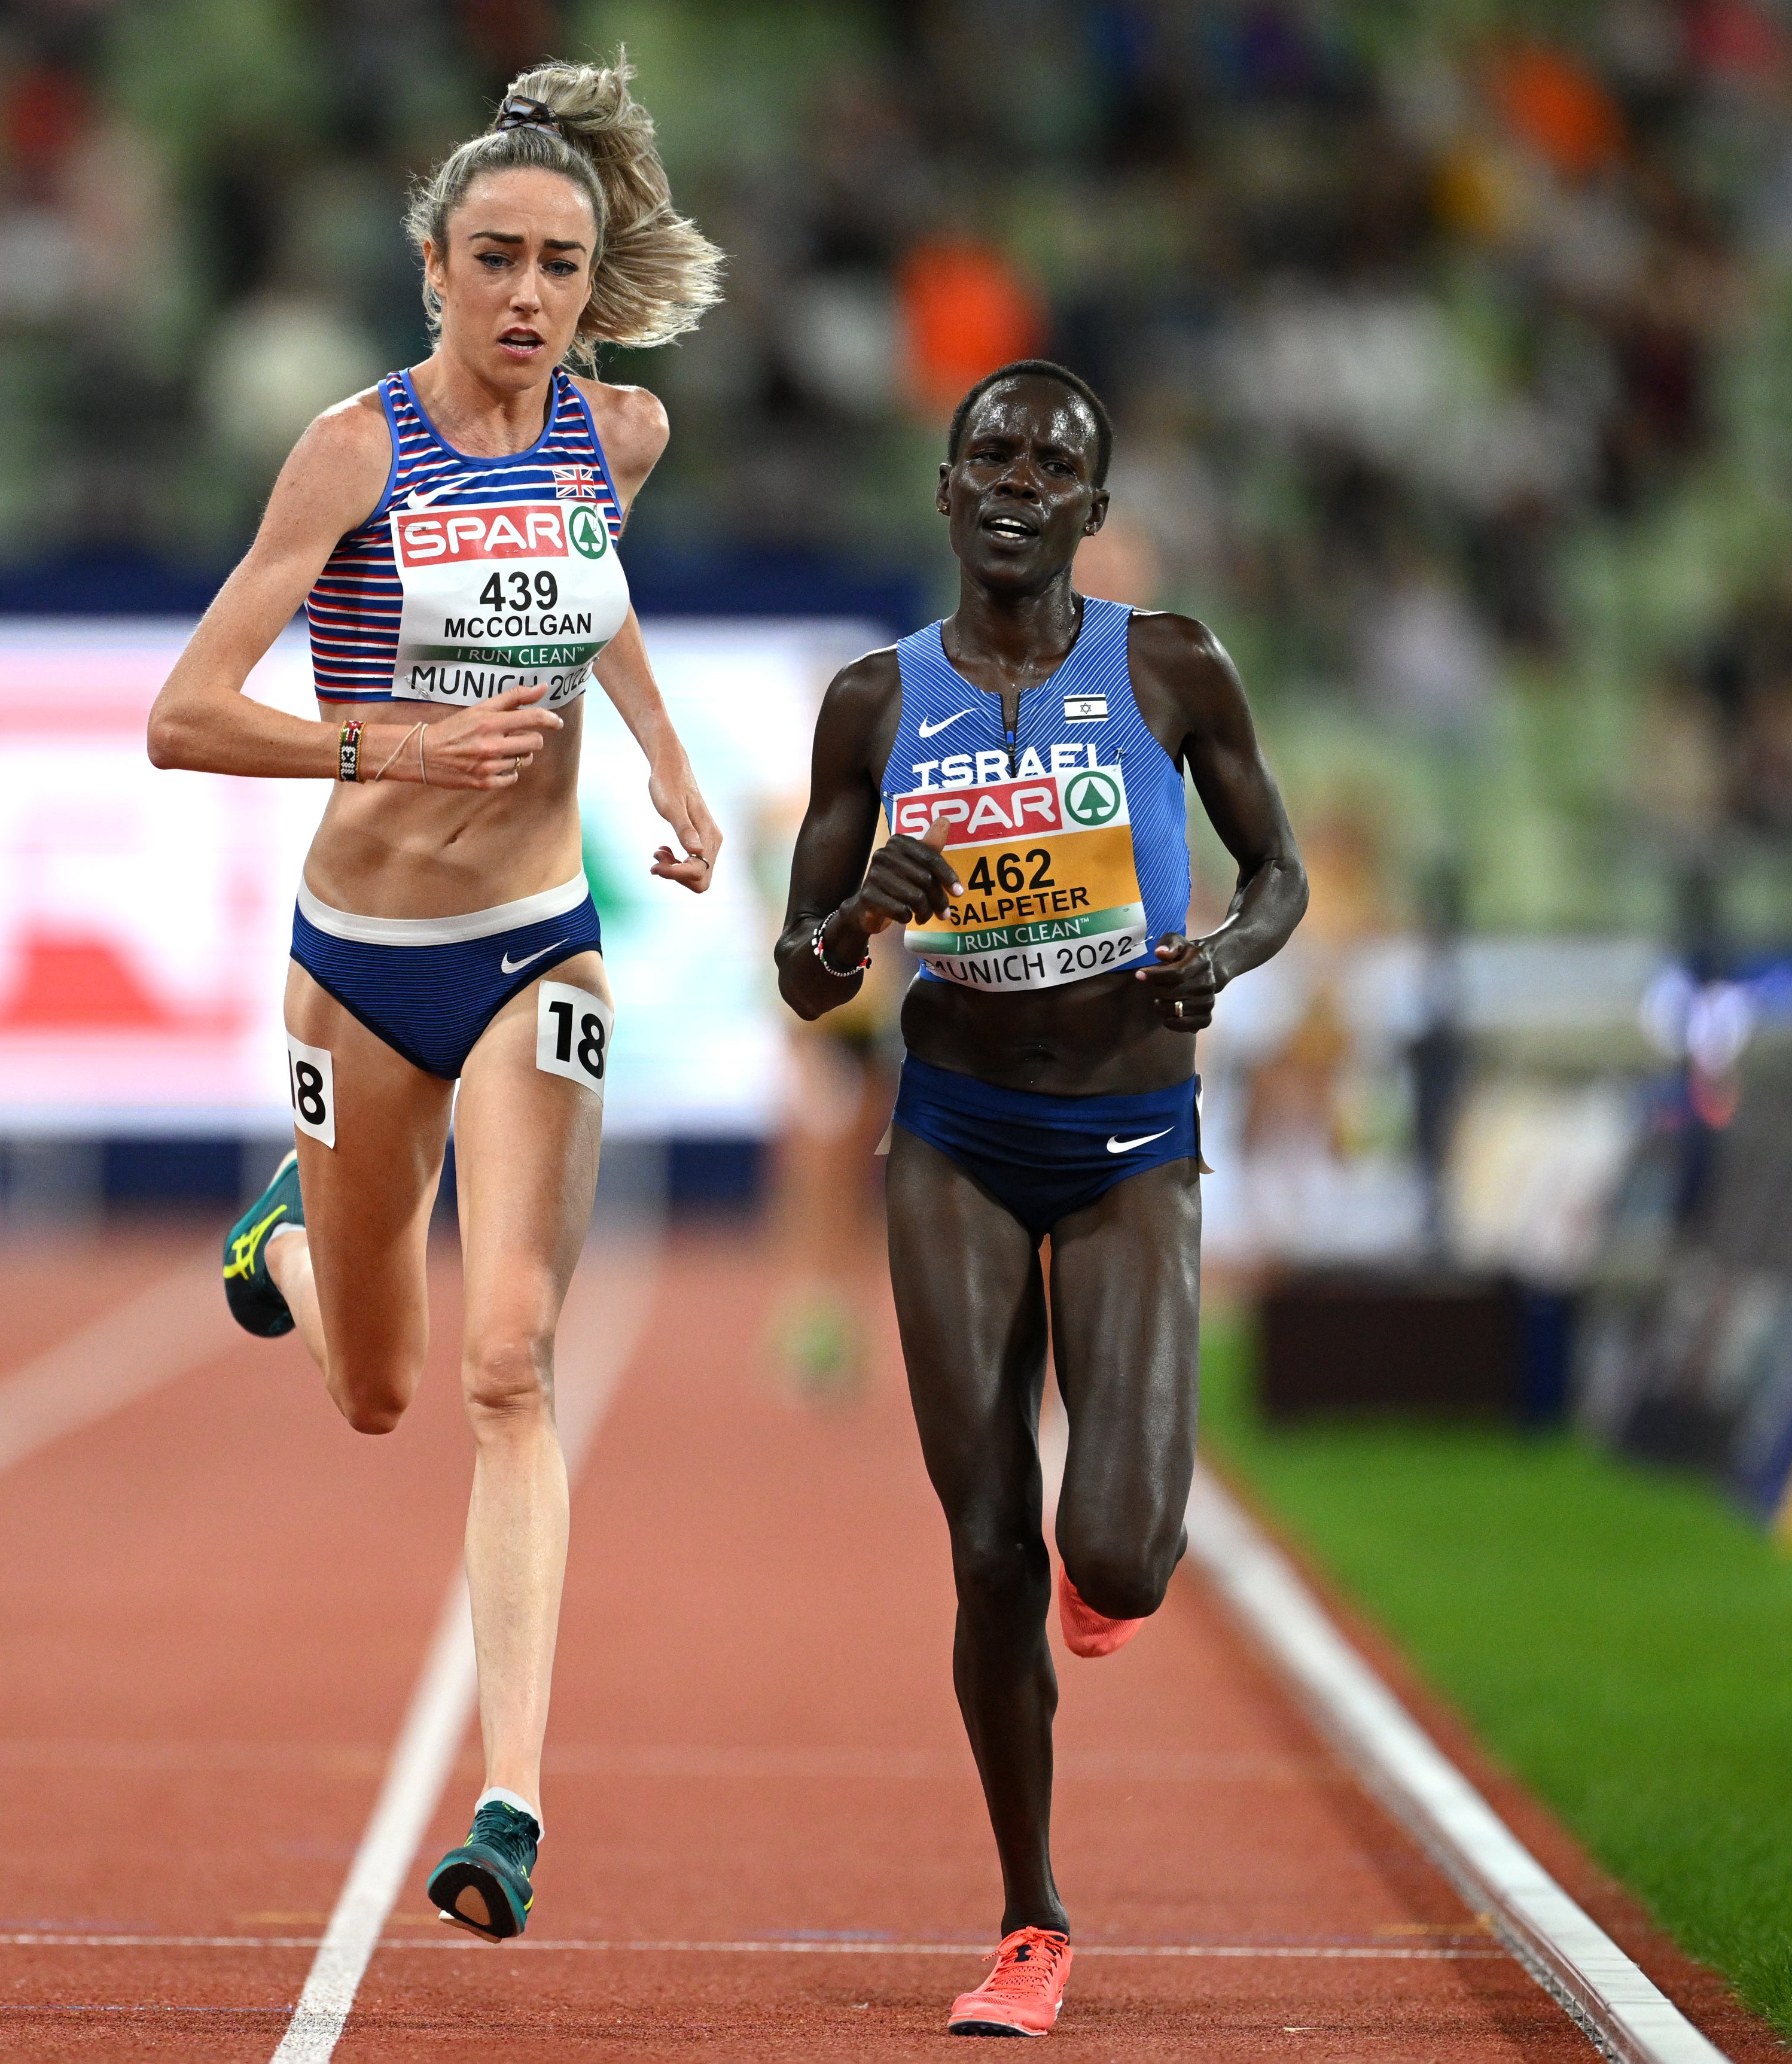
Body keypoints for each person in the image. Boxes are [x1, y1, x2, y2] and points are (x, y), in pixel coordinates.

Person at [145, 56, 722, 1944]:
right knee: (382, 1387)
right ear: (433, 267)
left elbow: (600, 584)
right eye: (497, 260)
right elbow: (182, 712)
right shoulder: (357, 451)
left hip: (538, 941)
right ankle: (291, 1251)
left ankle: (511, 1803)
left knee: (509, 1362)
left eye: (560, 263)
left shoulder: (614, 433)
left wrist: (664, 758)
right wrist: (384, 739)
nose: (531, 299)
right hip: (356, 973)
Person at [775, 360, 1305, 2038]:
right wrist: (858, 911)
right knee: (991, 1540)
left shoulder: (1172, 664)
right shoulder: (872, 700)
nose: (1014, 480)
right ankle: (1030, 1918)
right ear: (945, 492)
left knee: (1119, 1555)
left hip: (1136, 1134)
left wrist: (1216, 954)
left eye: (1050, 462)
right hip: (956, 1133)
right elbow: (798, 978)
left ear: (1091, 507)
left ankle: (1115, 1572)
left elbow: (1277, 871)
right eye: (987, 454)